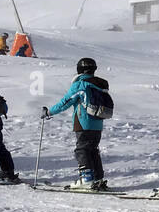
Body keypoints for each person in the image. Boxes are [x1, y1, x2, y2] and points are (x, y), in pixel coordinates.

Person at [42, 57, 111, 191]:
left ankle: (86, 179)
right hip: (98, 123)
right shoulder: (99, 84)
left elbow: (65, 102)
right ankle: (98, 179)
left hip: (83, 122)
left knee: (82, 150)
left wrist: (49, 112)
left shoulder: (80, 84)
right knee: (93, 151)